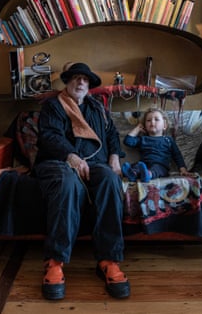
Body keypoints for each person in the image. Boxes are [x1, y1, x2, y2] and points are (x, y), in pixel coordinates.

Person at [34, 62, 130, 301]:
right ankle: (55, 261)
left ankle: (108, 260)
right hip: (59, 162)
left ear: (89, 86)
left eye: (85, 80)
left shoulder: (98, 108)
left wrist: (115, 158)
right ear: (67, 82)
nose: (81, 82)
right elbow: (49, 137)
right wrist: (72, 157)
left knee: (109, 180)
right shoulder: (53, 106)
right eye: (76, 78)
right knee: (67, 183)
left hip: (95, 164)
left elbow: (111, 135)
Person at [122, 107, 189, 182]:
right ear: (145, 126)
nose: (152, 122)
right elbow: (127, 141)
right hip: (144, 164)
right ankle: (133, 174)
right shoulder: (143, 139)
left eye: (156, 119)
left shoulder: (168, 140)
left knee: (156, 169)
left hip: (160, 165)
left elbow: (177, 155)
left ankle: (148, 175)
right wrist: (138, 128)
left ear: (164, 125)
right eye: (148, 120)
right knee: (137, 166)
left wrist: (182, 169)